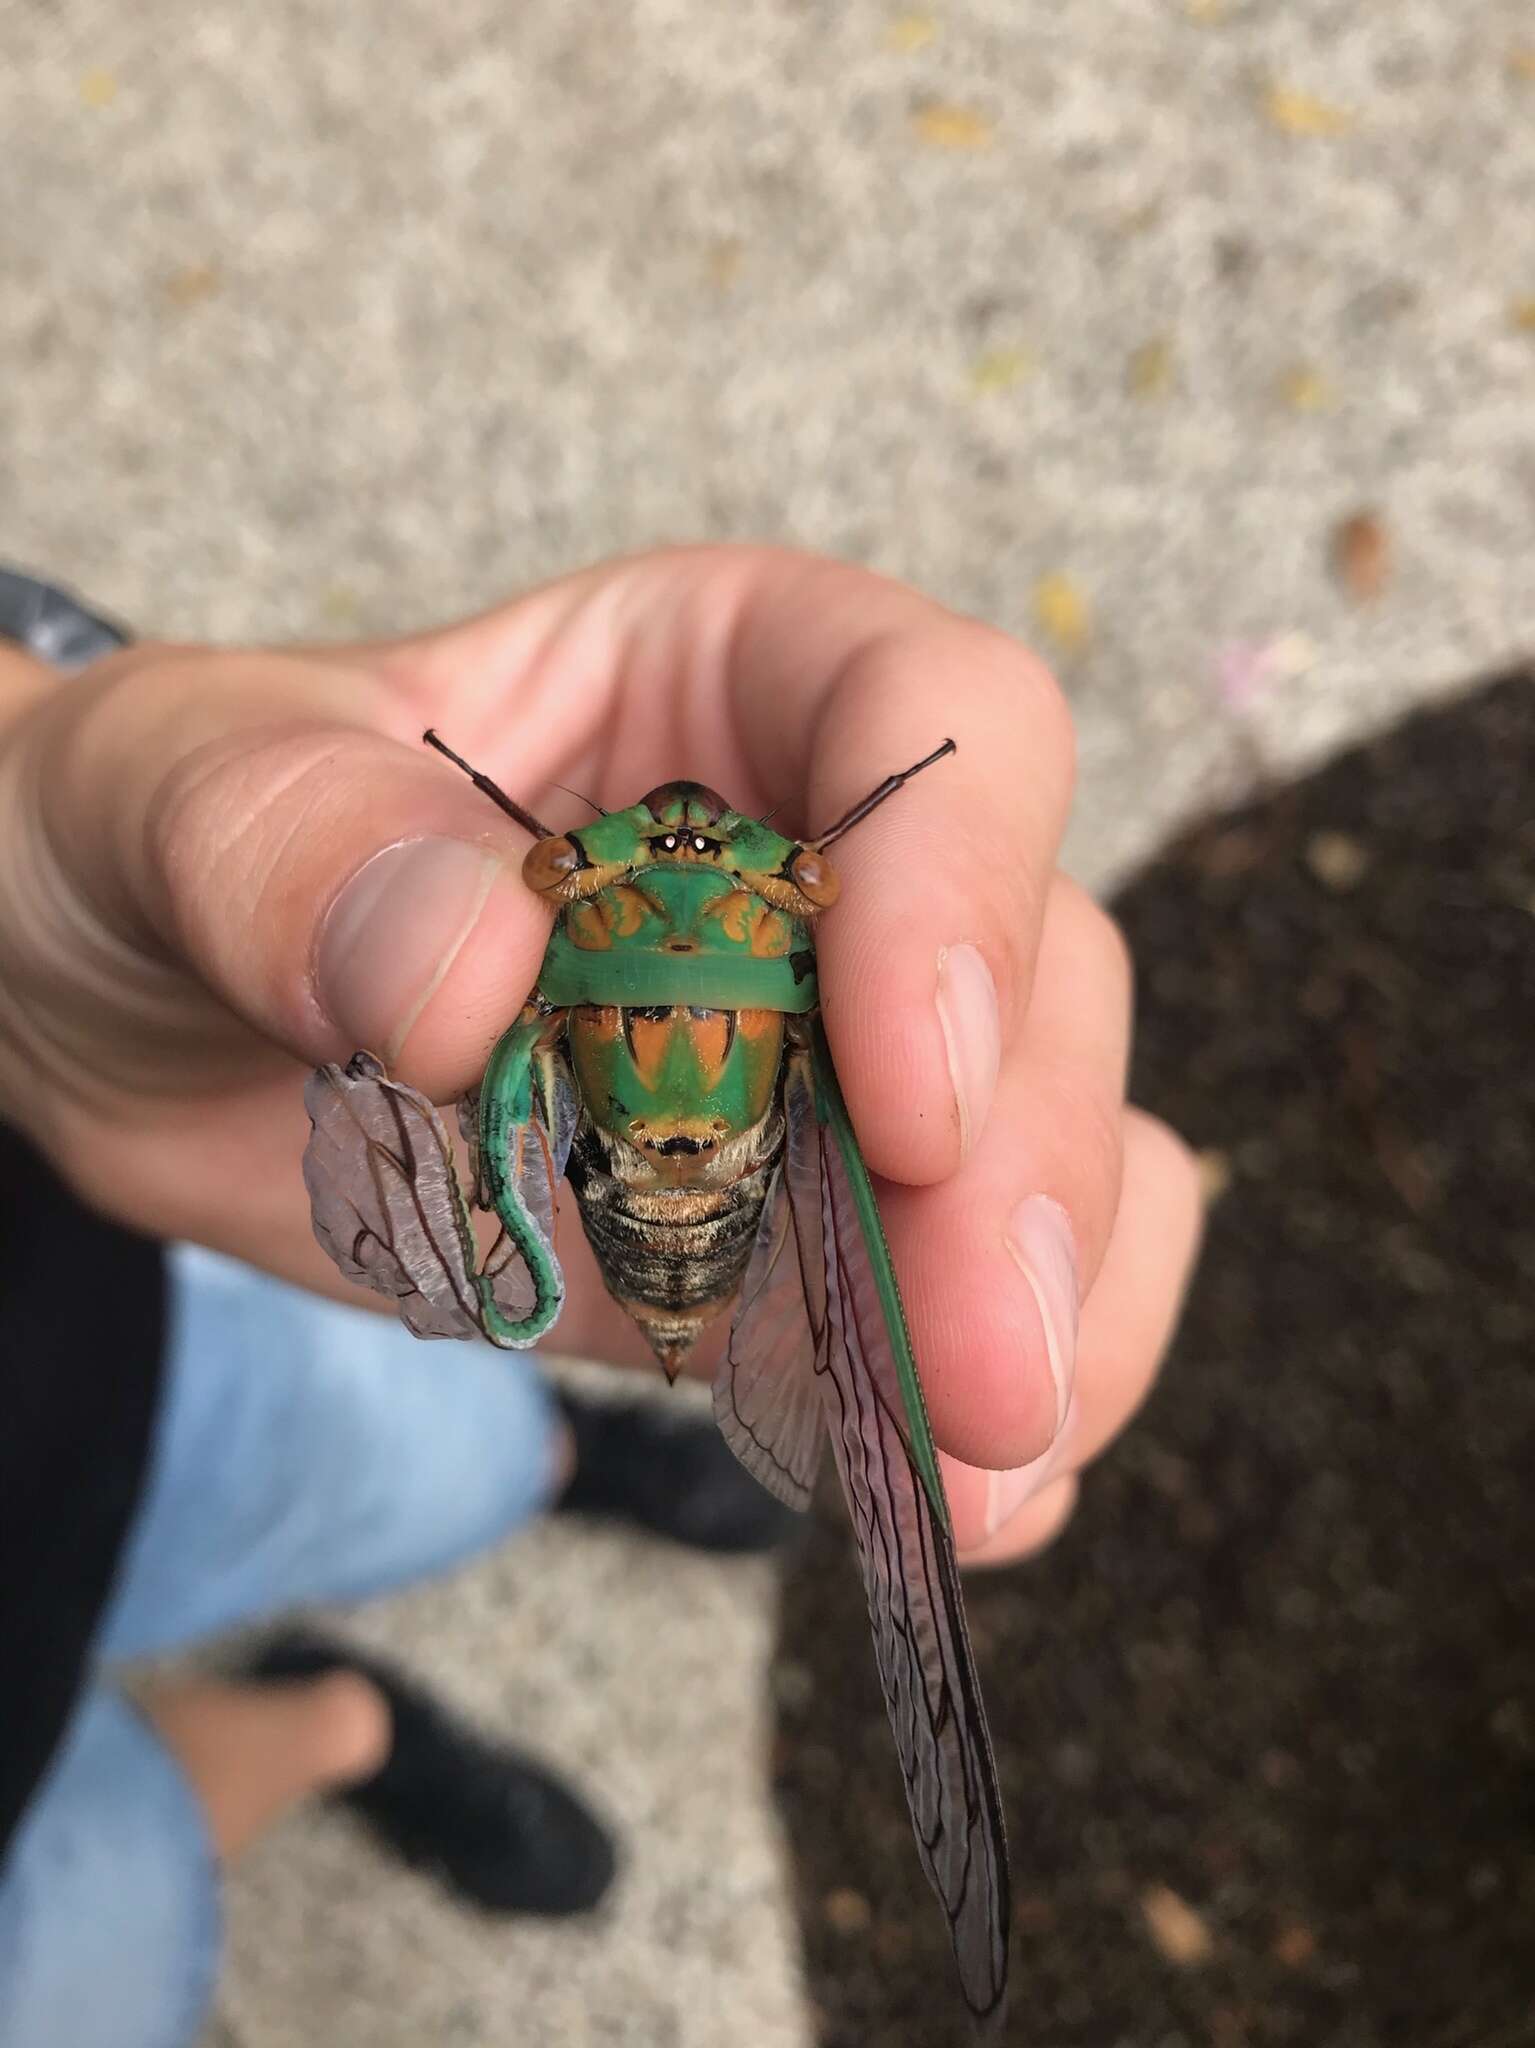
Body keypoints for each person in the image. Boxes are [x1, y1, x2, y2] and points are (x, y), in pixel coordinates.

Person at [0, 548, 1202, 2047]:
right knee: (100, 1936)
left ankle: (531, 1460)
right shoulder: (612, 996)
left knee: (435, 1449)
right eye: (605, 886)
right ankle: (346, 1711)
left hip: (103, 1353)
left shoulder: (610, 976)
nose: (691, 911)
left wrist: (31, 761)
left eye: (769, 897)